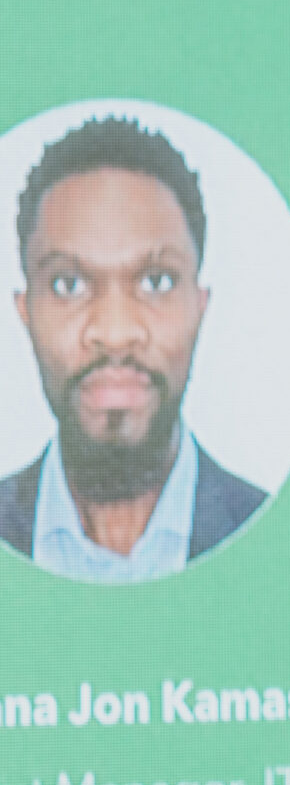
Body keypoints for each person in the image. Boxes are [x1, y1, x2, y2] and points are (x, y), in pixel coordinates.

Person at [0, 116, 265, 581]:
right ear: (26, 312)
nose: (116, 333)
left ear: (199, 306)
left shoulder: (280, 540)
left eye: (155, 281)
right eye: (68, 284)